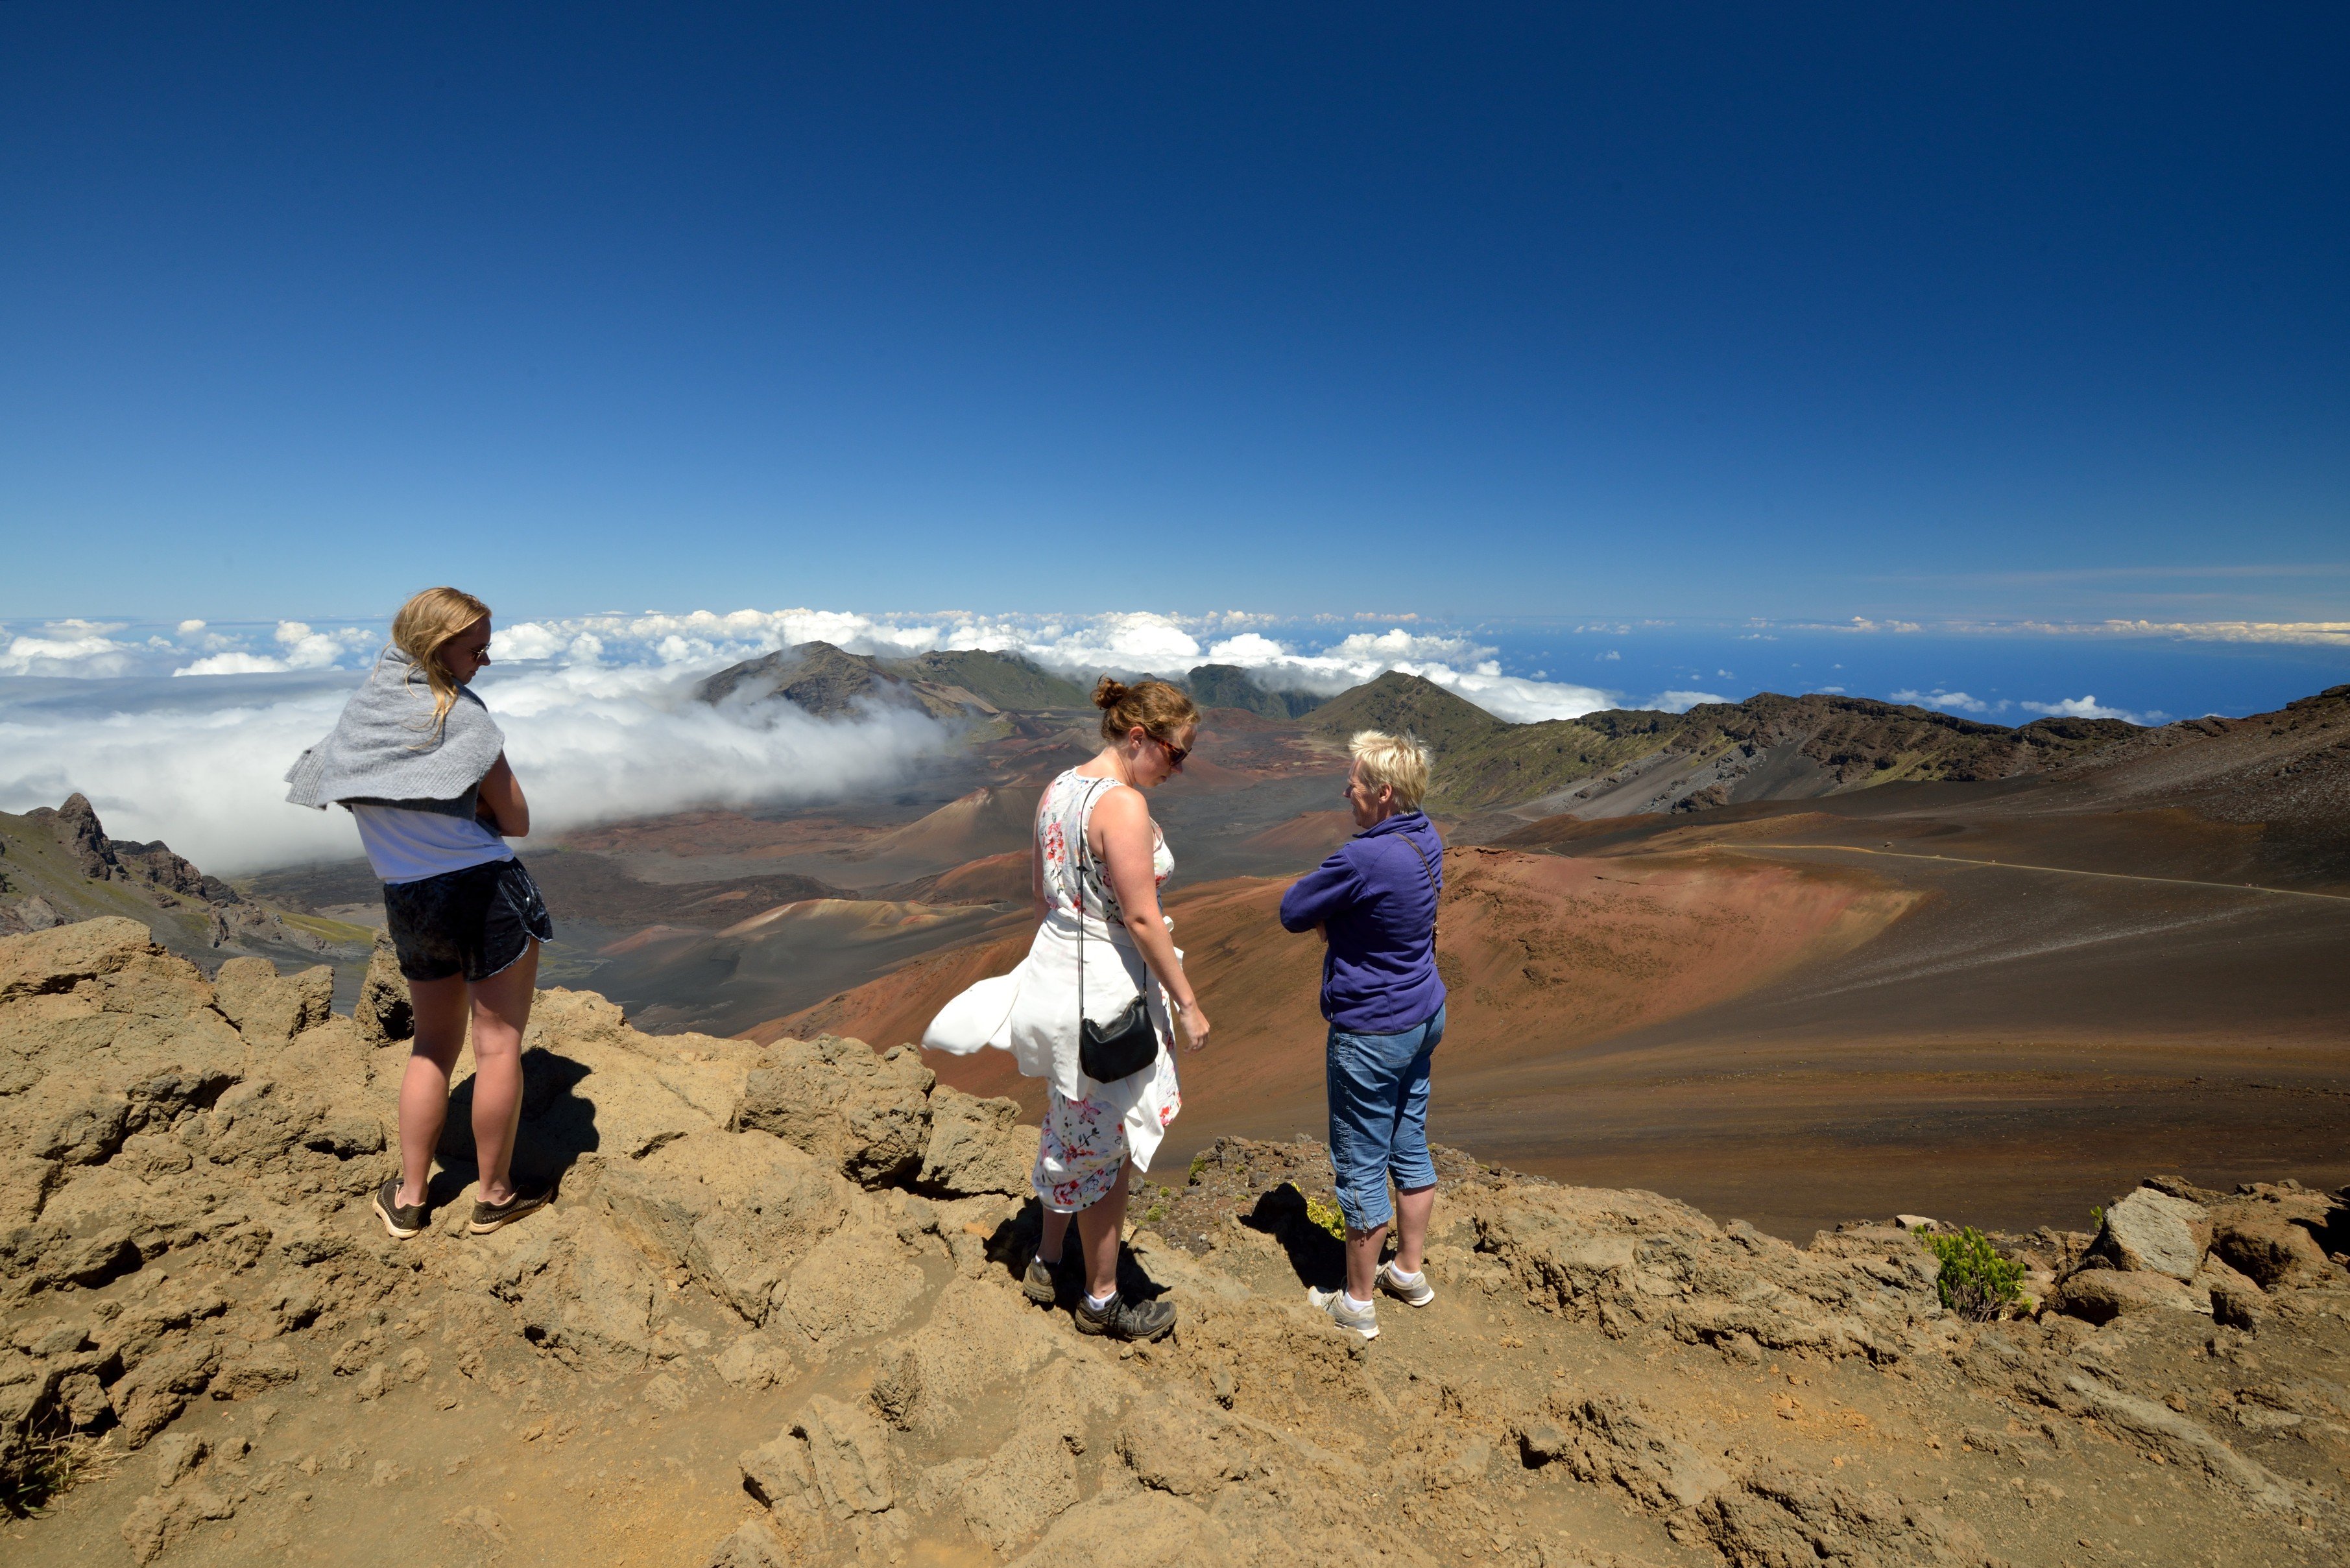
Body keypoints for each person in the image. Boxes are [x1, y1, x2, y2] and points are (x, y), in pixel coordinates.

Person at [922, 677, 1210, 1342]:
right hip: (1103, 997)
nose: (1179, 768)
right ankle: (1102, 1299)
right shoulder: (1122, 808)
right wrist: (1187, 1005)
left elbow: (1037, 894)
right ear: (1138, 738)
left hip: (1054, 979)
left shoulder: (1058, 789)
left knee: (1067, 1122)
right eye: (1175, 753)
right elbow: (1140, 916)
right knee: (1106, 1148)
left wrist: (1045, 972)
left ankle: (1049, 1261)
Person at [286, 586, 555, 1242]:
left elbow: (343, 788)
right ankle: (493, 1196)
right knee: (497, 1048)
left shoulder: (360, 724)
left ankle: (409, 1198)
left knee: (431, 1048)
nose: (483, 663)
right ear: (440, 649)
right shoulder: (463, 724)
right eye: (476, 649)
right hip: (487, 894)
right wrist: (467, 811)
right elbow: (516, 820)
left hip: (410, 900)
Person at [1278, 730, 1446, 1339]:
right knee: (1409, 1143)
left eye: (1352, 782)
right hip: (1423, 1013)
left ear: (1380, 793)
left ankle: (1356, 1303)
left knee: (1359, 1163)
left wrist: (1333, 923)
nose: (1343, 789)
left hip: (1373, 1029)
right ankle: (1407, 1271)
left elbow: (1293, 910)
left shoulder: (1362, 857)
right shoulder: (1424, 833)